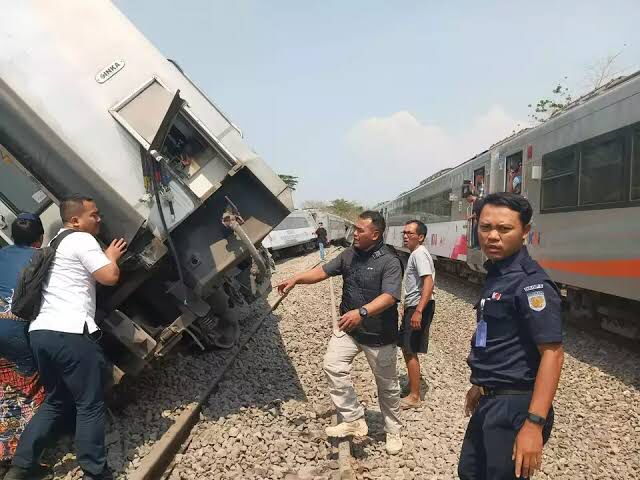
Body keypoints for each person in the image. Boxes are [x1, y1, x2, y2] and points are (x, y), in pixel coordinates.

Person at [6, 196, 127, 480]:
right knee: (89, 402)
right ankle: (95, 472)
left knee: (57, 399)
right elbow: (109, 276)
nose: (99, 219)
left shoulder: (52, 245)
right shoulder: (81, 240)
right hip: (69, 333)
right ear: (75, 220)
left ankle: (21, 466)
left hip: (40, 334)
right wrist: (111, 256)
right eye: (94, 215)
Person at [277, 211, 404, 455]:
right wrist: (296, 278)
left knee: (387, 386)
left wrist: (362, 312)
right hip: (350, 330)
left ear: (375, 234)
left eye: (360, 230)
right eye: (354, 229)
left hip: (379, 335)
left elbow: (389, 297)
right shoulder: (349, 255)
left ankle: (393, 430)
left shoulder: (389, 260)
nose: (355, 233)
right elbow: (322, 272)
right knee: (332, 366)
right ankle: (354, 418)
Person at [458, 192, 564, 480]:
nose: (492, 236)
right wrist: (480, 384)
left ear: (525, 231)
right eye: (485, 227)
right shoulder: (498, 274)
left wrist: (533, 425)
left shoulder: (531, 284)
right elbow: (498, 338)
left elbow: (553, 354)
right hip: (490, 399)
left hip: (516, 407)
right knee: (468, 472)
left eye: (504, 229)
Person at [0, 214, 47, 473]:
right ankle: (25, 461)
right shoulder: (40, 258)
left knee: (5, 391)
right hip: (16, 333)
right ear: (39, 239)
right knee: (32, 389)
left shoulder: (2, 253)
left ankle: (2, 453)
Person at [397, 220, 435, 409]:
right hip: (414, 305)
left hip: (419, 306)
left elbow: (428, 282)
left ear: (420, 237)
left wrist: (418, 310)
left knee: (410, 349)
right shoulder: (416, 254)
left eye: (410, 233)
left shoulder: (419, 254)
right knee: (406, 347)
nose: (405, 236)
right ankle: (413, 385)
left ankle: (414, 396)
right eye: (404, 232)